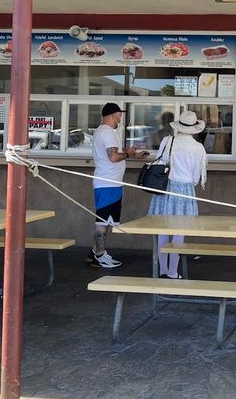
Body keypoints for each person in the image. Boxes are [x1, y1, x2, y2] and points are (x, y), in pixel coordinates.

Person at [147, 110, 207, 279]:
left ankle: (162, 270)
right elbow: (196, 178)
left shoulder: (167, 141)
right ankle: (173, 271)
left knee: (163, 230)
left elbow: (159, 163)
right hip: (185, 190)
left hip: (165, 187)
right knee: (179, 232)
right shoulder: (198, 148)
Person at [89, 102, 148, 268]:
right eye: (120, 115)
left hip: (109, 182)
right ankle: (99, 255)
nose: (120, 118)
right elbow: (113, 157)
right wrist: (127, 154)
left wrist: (132, 155)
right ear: (113, 115)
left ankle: (95, 252)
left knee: (105, 219)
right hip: (108, 183)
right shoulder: (108, 132)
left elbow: (114, 156)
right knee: (103, 220)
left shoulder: (102, 131)